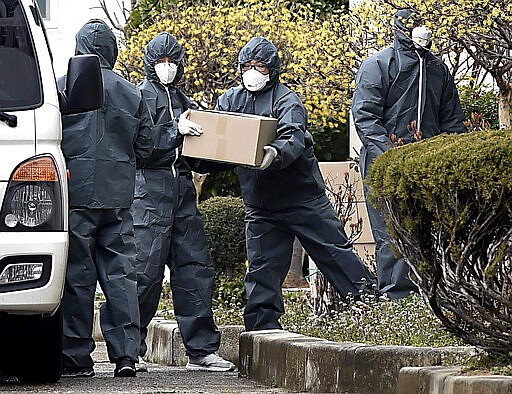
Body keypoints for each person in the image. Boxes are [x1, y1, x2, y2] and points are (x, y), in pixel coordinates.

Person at [201, 36, 377, 331]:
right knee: (262, 269)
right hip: (260, 204)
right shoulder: (231, 100)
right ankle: (261, 330)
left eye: (259, 66)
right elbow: (219, 133)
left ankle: (373, 309)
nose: (252, 72)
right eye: (247, 66)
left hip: (302, 198)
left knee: (335, 254)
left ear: (272, 69)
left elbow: (293, 135)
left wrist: (275, 152)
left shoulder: (286, 100)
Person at [132, 32, 235, 372]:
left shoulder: (183, 100)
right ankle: (129, 350)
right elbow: (142, 149)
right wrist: (175, 131)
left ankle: (201, 350)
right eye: (161, 62)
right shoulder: (140, 99)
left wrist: (224, 149)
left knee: (195, 268)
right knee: (144, 272)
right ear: (150, 64)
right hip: (149, 193)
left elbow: (196, 156)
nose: (167, 68)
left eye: (172, 62)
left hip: (182, 192)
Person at [58, 19, 155, 378]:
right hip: (118, 196)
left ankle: (76, 357)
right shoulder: (132, 92)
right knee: (121, 275)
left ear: (79, 46)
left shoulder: (63, 85)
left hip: (77, 194)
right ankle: (126, 356)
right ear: (113, 50)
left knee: (76, 275)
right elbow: (146, 146)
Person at [351, 9, 466, 299]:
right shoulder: (378, 66)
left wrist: (446, 157)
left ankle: (434, 296)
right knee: (391, 233)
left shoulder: (438, 70)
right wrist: (391, 155)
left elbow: (452, 120)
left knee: (431, 230)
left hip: (427, 166)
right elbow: (365, 117)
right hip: (383, 164)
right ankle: (398, 298)